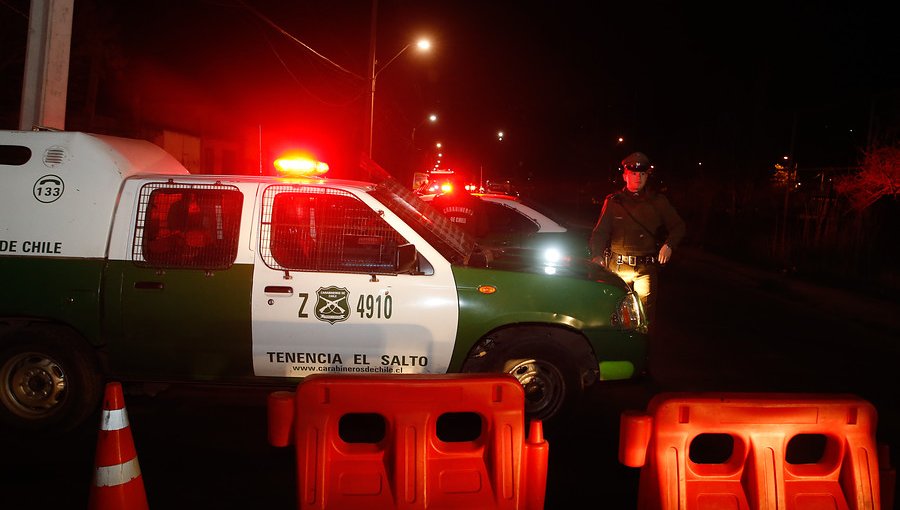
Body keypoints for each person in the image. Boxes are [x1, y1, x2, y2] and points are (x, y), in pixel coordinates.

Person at [590, 152, 685, 327]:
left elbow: (678, 226)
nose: (638, 178)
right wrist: (597, 255)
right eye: (633, 173)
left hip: (645, 270)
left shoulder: (657, 201)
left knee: (644, 318)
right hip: (617, 267)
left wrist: (669, 245)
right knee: (614, 314)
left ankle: (641, 352)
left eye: (642, 174)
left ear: (647, 176)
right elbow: (600, 233)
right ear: (625, 175)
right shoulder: (613, 202)